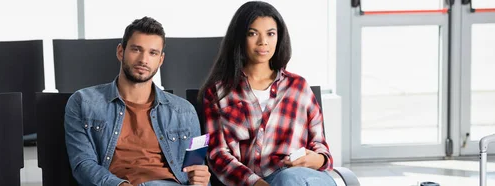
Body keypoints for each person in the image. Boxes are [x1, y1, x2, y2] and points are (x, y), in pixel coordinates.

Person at [199, 1, 337, 186]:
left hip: (304, 177)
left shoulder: (298, 87)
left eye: (270, 34)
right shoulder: (219, 93)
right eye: (253, 33)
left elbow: (320, 145)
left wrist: (316, 160)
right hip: (253, 182)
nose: (263, 41)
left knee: (288, 178)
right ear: (239, 37)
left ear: (279, 37)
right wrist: (256, 183)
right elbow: (218, 155)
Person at [64, 16, 210, 186]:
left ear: (160, 60)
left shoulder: (184, 111)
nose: (143, 60)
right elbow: (83, 164)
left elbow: (197, 171)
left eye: (152, 53)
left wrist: (201, 179)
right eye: (136, 49)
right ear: (121, 51)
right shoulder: (84, 103)